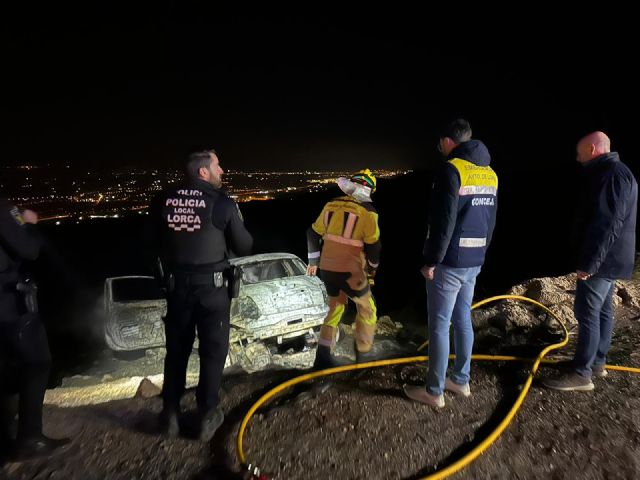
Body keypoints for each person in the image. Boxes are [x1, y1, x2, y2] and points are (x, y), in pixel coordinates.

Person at [148, 149, 253, 440]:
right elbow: (244, 246)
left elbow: (153, 241)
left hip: (177, 287)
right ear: (203, 172)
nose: (222, 171)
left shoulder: (162, 201)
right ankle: (207, 413)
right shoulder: (221, 203)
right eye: (218, 166)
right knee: (213, 351)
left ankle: (170, 412)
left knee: (177, 350)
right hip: (213, 289)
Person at [404, 119, 498, 408]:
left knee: (439, 325)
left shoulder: (451, 169)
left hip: (449, 262)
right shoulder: (489, 173)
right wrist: (481, 255)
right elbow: (490, 221)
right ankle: (461, 380)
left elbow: (443, 222)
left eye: (440, 143)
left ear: (448, 142)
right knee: (462, 319)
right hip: (474, 259)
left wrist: (431, 261)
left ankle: (434, 391)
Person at [543, 132, 637, 391]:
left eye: (579, 152)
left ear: (593, 149)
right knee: (604, 310)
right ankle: (596, 363)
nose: (577, 158)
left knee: (586, 312)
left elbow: (607, 224)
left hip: (602, 260)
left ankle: (581, 374)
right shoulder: (616, 172)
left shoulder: (611, 175)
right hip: (611, 258)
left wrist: (590, 263)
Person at [0, 197, 69, 459]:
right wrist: (27, 223)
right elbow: (29, 250)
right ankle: (30, 438)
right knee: (38, 362)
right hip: (7, 302)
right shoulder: (2, 208)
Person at [306, 169, 381, 368]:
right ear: (369, 189)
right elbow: (374, 246)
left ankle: (322, 354)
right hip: (350, 270)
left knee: (335, 307)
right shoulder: (368, 211)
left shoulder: (331, 205)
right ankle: (363, 356)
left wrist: (313, 262)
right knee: (367, 307)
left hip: (327, 269)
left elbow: (312, 234)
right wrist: (373, 268)